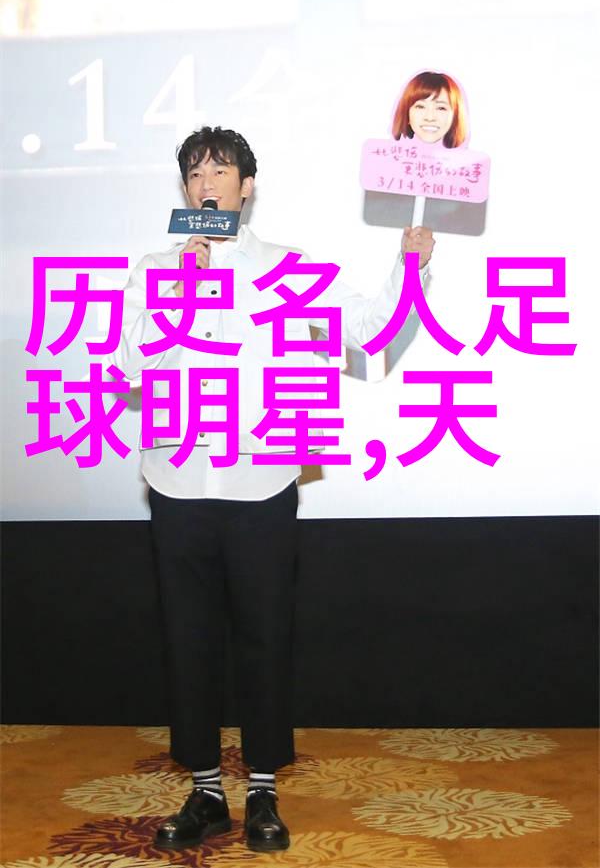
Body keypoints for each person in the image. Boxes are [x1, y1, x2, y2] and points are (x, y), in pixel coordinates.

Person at [111, 126, 434, 853]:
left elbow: (369, 330)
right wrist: (179, 290)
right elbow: (130, 365)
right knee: (188, 640)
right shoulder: (156, 269)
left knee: (264, 637)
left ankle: (261, 792)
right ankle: (204, 791)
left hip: (261, 484)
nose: (207, 183)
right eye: (195, 173)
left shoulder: (286, 269)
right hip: (178, 483)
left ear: (247, 187)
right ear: (185, 190)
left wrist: (410, 267)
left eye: (221, 171)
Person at [392, 70, 468, 148]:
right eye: (420, 107)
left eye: (441, 108)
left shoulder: (469, 155)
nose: (430, 118)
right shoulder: (389, 152)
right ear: (406, 112)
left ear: (455, 115)